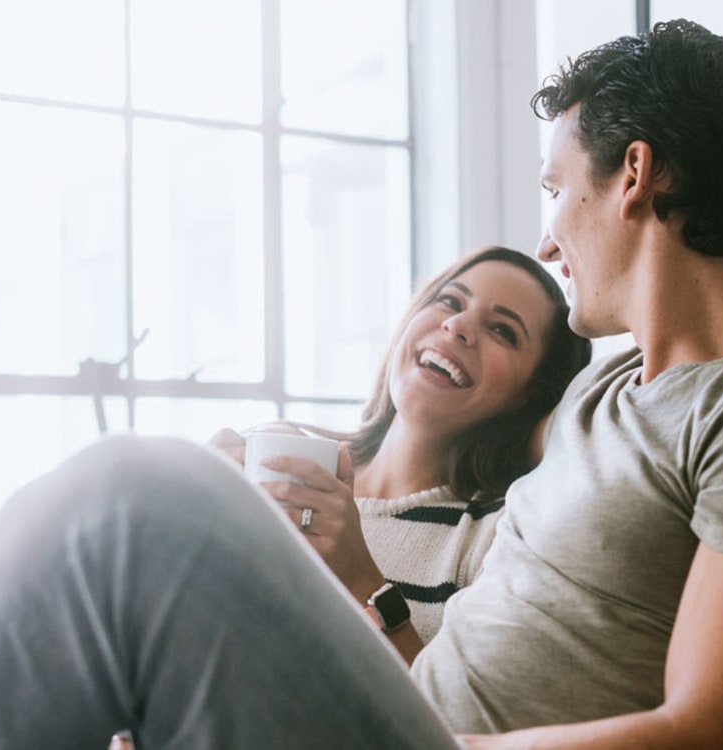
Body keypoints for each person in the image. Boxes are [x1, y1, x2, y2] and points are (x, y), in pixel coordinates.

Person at [0, 19, 723, 749]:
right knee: (156, 525)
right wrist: (339, 578)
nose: (549, 236)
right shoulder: (596, 404)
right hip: (401, 719)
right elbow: (502, 640)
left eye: (554, 187)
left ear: (632, 175)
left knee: (140, 507)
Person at [208, 246, 592, 655]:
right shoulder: (286, 461)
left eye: (502, 330)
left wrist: (363, 581)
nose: (458, 325)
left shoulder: (495, 539)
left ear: (530, 396)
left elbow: (447, 716)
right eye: (449, 301)